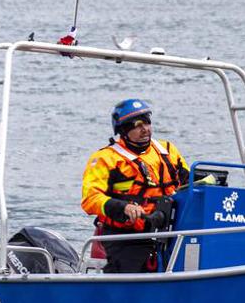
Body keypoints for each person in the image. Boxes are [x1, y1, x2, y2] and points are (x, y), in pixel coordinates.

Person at [80, 98, 191, 274]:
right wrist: (124, 207)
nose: (145, 128)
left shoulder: (168, 150)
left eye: (147, 121)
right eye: (137, 124)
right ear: (123, 130)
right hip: (127, 238)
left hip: (170, 231)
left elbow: (189, 184)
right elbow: (90, 199)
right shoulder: (105, 159)